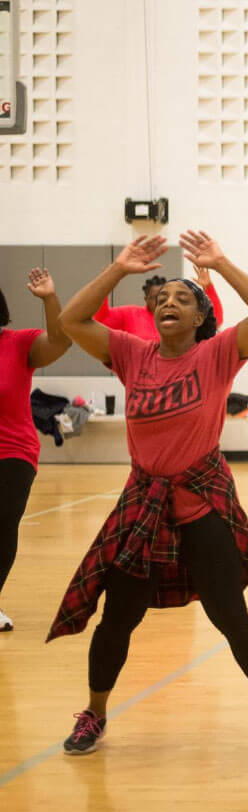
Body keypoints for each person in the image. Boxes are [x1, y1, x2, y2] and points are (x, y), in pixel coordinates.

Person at [49, 232, 248, 756]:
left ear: (199, 317)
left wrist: (220, 261)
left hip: (201, 503)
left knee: (230, 615)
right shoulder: (130, 354)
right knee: (117, 618)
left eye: (182, 298)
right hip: (143, 505)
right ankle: (95, 714)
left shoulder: (217, 356)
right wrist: (119, 268)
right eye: (162, 297)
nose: (169, 301)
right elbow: (71, 321)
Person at [0, 268, 73, 631]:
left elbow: (61, 341)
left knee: (1, 526)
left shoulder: (18, 343)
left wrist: (48, 298)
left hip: (12, 452)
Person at [94, 267, 224, 338]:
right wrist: (104, 287)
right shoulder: (131, 314)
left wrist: (208, 288)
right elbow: (101, 320)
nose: (160, 302)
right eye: (155, 297)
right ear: (146, 299)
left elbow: (215, 320)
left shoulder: (181, 315)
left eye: (164, 296)